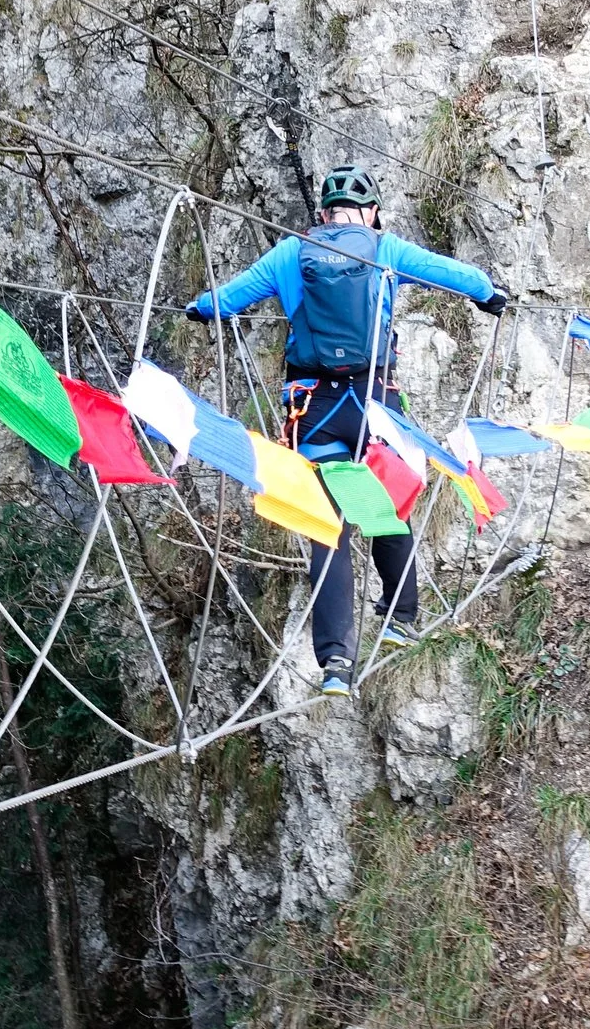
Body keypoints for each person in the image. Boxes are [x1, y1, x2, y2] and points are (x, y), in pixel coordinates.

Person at [186, 164, 506, 695]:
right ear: (373, 212)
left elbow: (226, 301)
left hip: (312, 408)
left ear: (321, 216)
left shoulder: (292, 253)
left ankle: (335, 661)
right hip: (377, 403)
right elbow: (458, 276)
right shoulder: (385, 249)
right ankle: (402, 615)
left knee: (326, 527)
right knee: (387, 498)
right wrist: (487, 294)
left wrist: (199, 308)